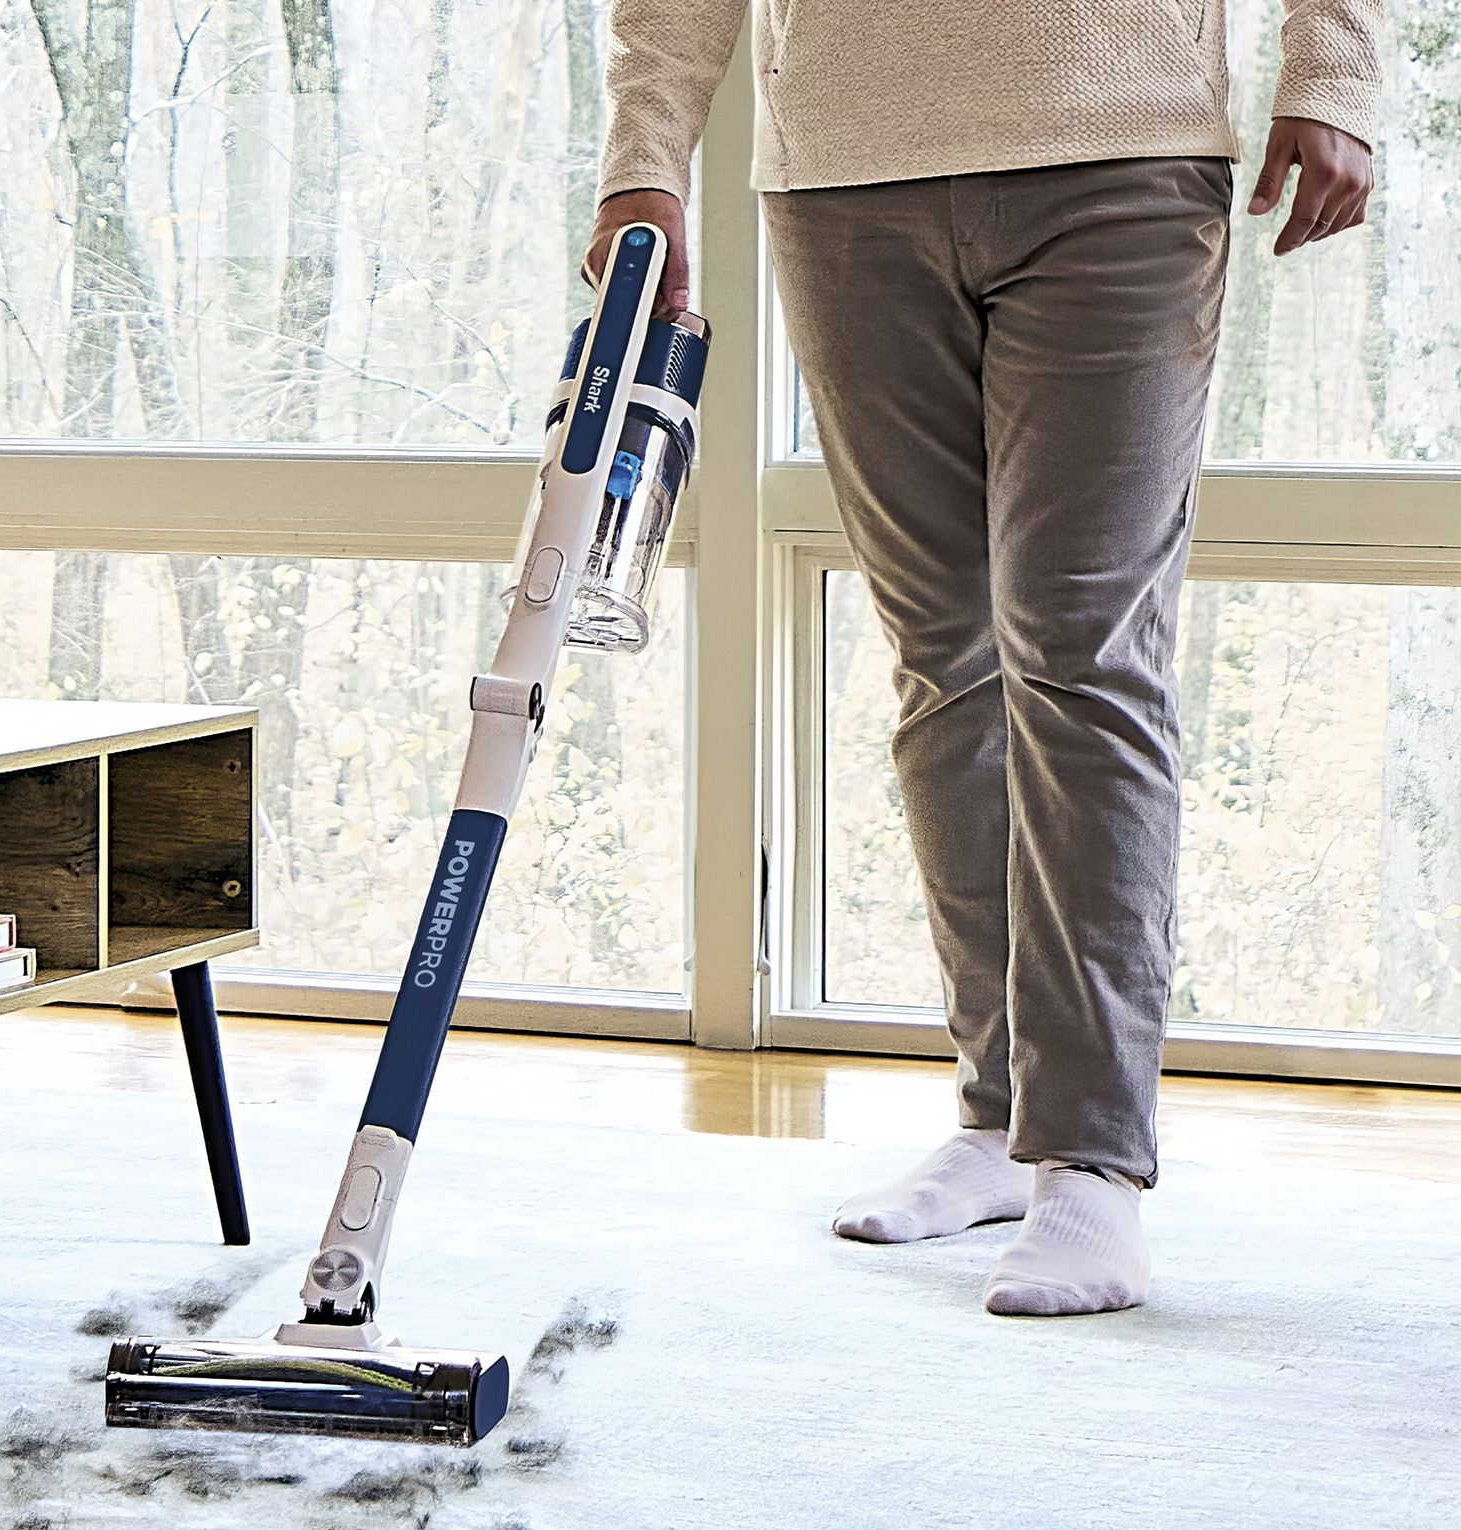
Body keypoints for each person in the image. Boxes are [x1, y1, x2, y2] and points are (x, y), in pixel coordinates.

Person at [588, 0, 1379, 1316]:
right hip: (843, 166)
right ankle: (1000, 1113)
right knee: (942, 659)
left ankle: (1090, 1161)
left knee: (1083, 653)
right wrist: (643, 154)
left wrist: (1335, 68)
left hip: (1116, 144)